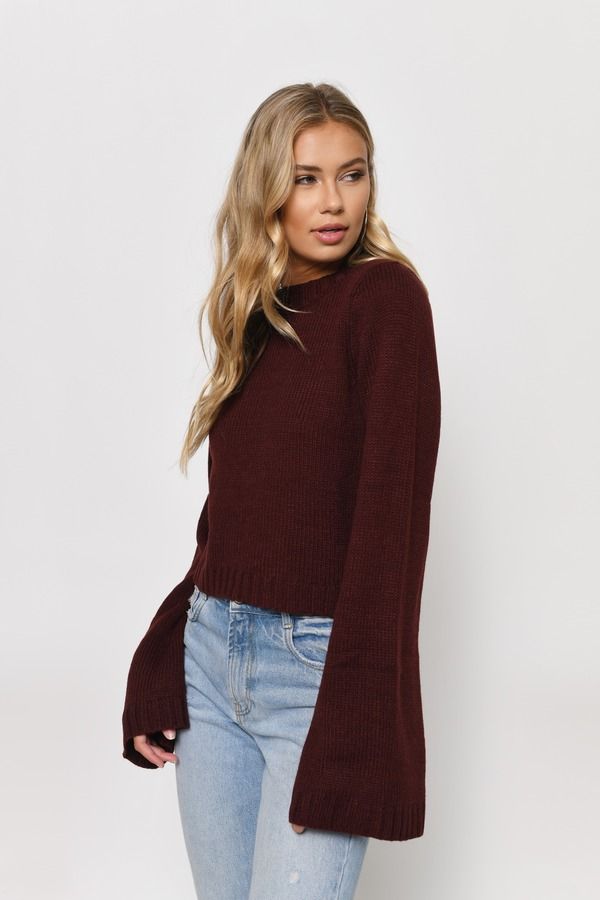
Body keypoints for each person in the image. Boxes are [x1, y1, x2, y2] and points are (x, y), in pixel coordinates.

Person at [121, 81, 442, 900]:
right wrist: (162, 654)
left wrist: (350, 733)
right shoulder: (256, 312)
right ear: (267, 187)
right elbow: (231, 520)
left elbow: (389, 528)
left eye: (352, 174)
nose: (334, 202)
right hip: (209, 660)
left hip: (315, 677)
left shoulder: (386, 302)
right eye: (306, 178)